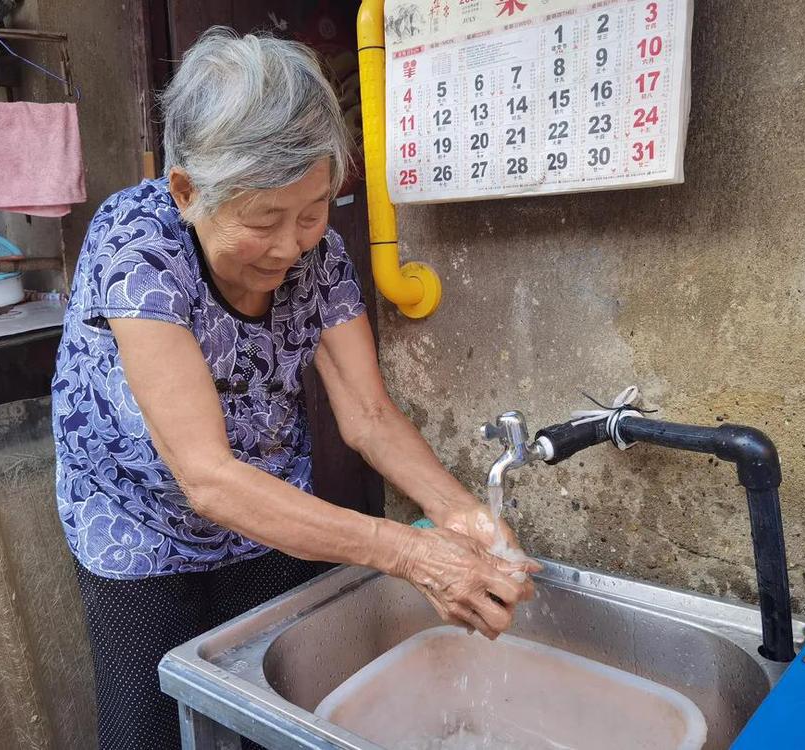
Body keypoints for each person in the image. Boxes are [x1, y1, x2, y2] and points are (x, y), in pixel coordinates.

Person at [51, 27, 537, 750]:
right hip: (135, 523)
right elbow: (208, 479)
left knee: (268, 710)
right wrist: (411, 554)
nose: (291, 245)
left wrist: (460, 513)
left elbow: (368, 415)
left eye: (311, 212)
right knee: (147, 730)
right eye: (263, 220)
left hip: (271, 510)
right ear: (187, 192)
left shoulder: (321, 256)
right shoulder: (139, 249)